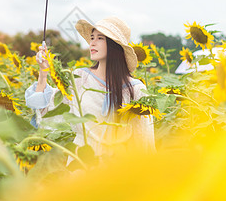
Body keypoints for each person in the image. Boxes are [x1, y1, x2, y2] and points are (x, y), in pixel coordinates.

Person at [25, 16, 155, 158]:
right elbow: (44, 109)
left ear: (114, 45)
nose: (92, 43)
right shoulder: (80, 78)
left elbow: (144, 140)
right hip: (81, 164)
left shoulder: (135, 89)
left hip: (117, 168)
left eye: (100, 38)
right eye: (92, 38)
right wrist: (43, 72)